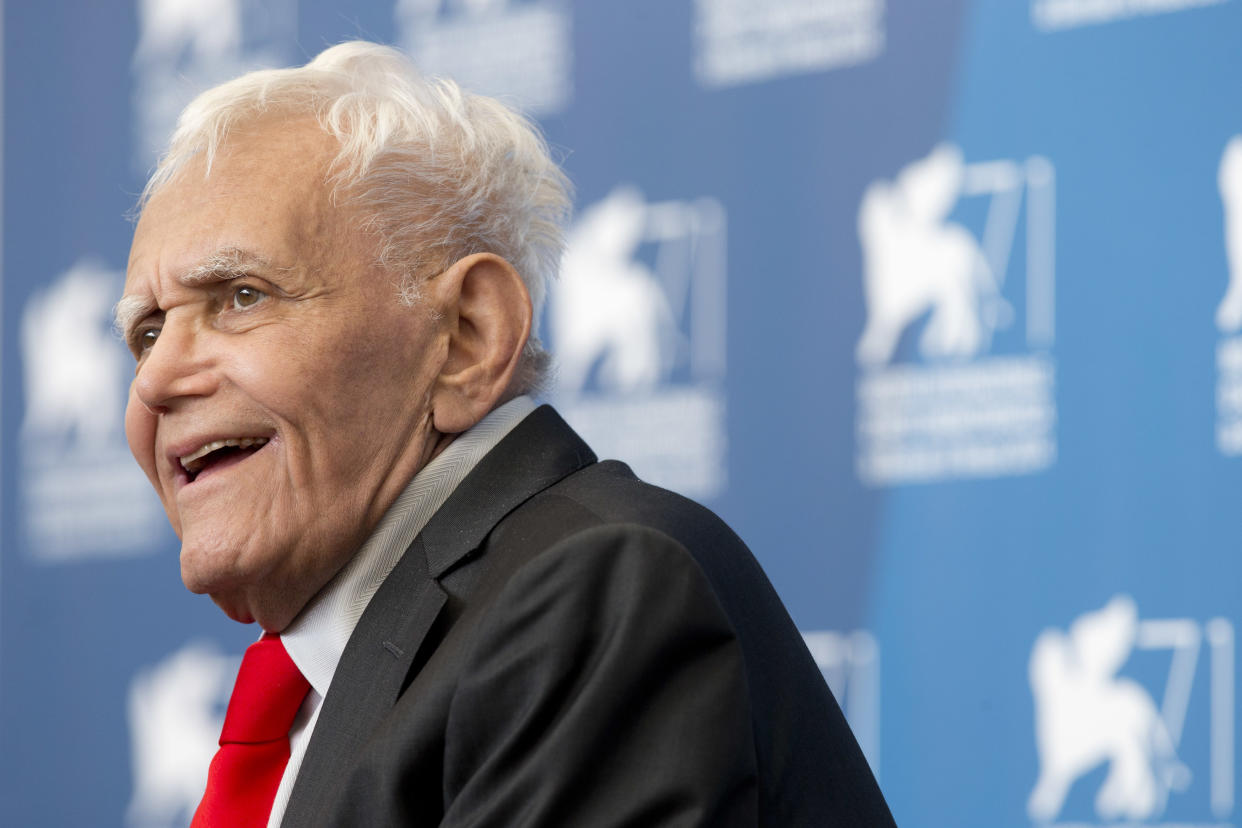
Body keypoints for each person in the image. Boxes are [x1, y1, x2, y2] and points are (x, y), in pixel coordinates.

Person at [118, 40, 896, 827]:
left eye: (242, 296)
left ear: (466, 337)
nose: (155, 380)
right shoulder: (335, 684)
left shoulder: (594, 593)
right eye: (146, 333)